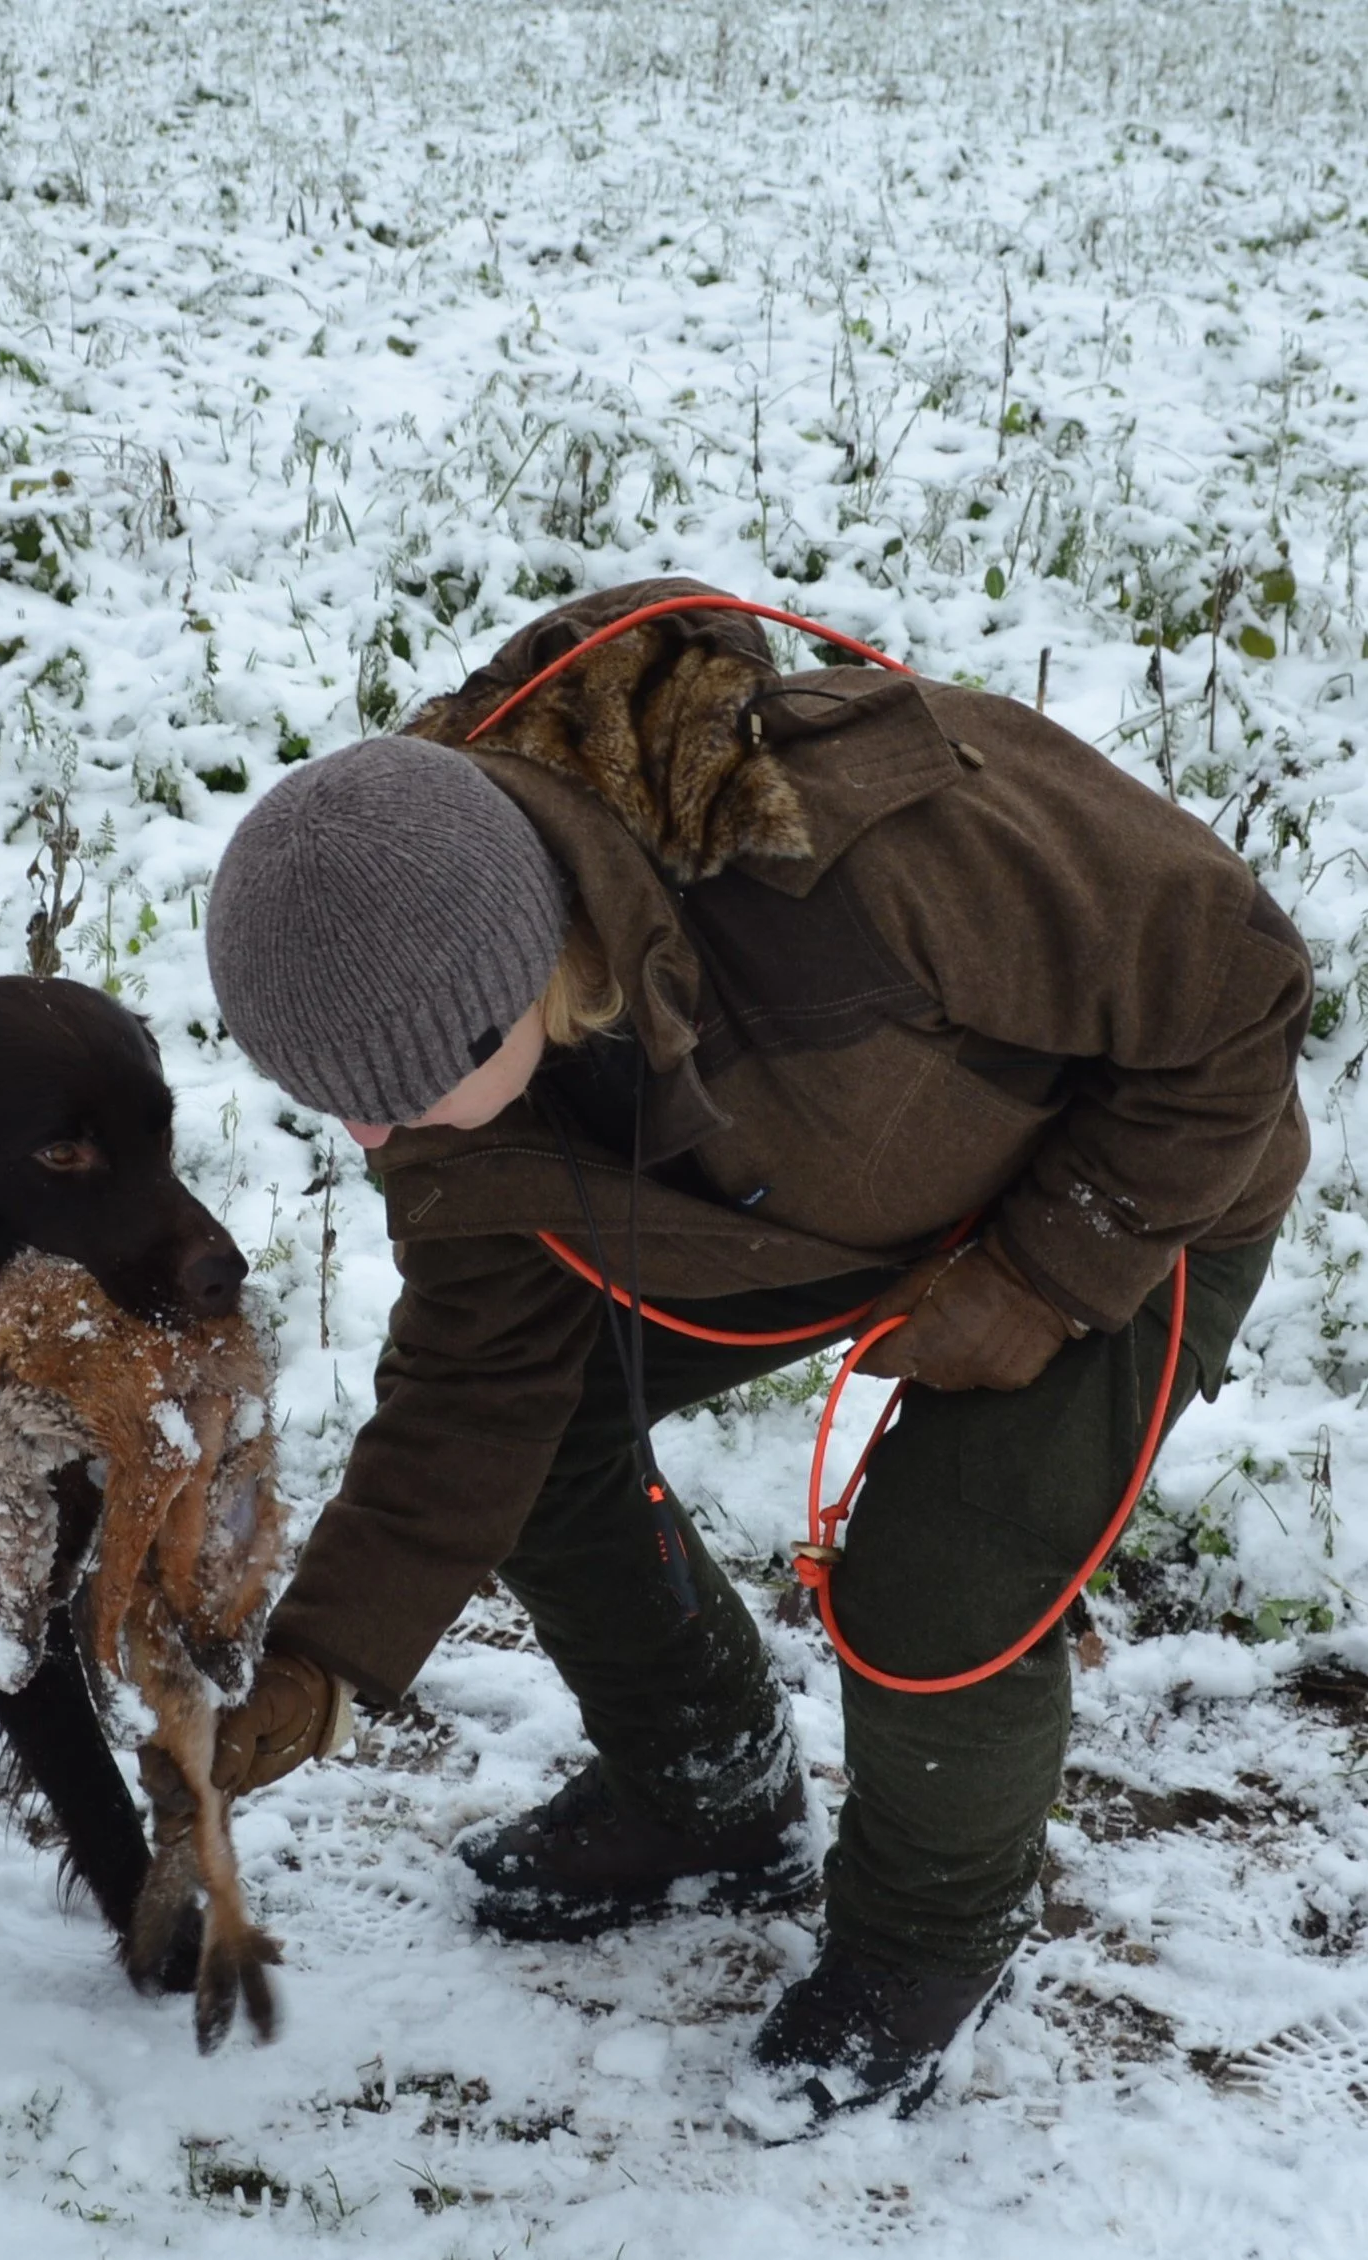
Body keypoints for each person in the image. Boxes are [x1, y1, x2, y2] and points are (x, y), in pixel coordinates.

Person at [199, 576, 1309, 2129]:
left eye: (392, 1093)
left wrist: (1052, 1272)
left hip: (1139, 1188)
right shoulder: (445, 1060)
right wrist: (316, 1669)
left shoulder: (858, 847)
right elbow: (476, 1394)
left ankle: (931, 1941)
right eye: (338, 1104)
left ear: (523, 973)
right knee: (545, 1443)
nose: (371, 1136)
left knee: (942, 1577)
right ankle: (703, 1790)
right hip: (807, 1220)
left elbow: (1240, 989)